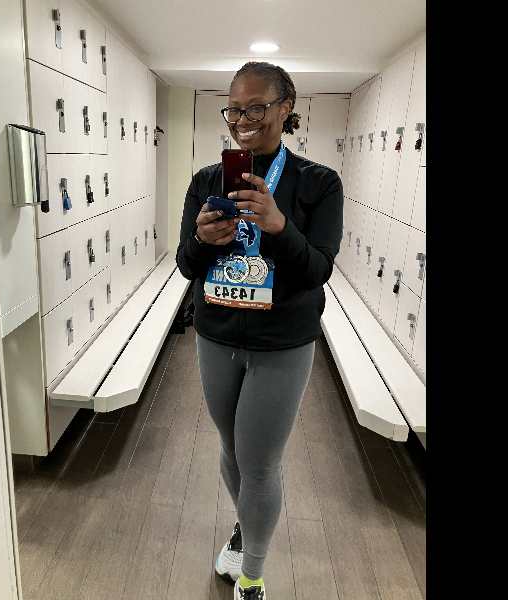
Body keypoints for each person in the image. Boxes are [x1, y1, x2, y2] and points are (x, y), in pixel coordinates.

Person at [176, 61, 343, 600]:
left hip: (282, 344)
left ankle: (251, 576)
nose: (241, 120)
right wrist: (203, 240)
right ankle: (246, 526)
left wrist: (278, 225)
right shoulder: (208, 181)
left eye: (256, 108)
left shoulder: (319, 183)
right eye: (233, 109)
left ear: (285, 108)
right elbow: (186, 264)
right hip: (217, 336)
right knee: (231, 450)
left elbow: (317, 270)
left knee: (260, 464)